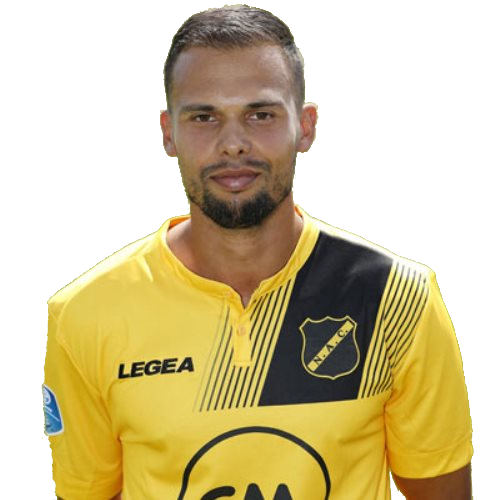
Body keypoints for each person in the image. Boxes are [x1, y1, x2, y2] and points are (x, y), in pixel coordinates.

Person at [44, 5, 473, 499]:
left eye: (261, 114)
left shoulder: (398, 297)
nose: (233, 144)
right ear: (168, 132)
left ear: (306, 126)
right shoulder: (85, 312)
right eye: (204, 117)